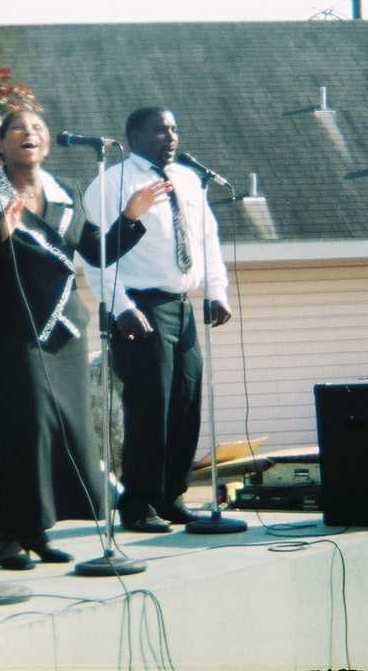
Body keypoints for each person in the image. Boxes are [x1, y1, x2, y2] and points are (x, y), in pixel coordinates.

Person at [0, 109, 171, 569]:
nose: (29, 135)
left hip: (65, 330)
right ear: (1, 143)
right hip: (15, 330)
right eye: (17, 130)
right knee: (25, 430)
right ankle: (8, 536)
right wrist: (0, 231)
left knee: (63, 433)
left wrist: (130, 217)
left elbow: (94, 250)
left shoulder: (64, 193)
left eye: (37, 129)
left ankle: (38, 531)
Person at [83, 107, 232, 533]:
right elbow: (97, 257)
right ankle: (138, 503)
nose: (170, 136)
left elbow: (208, 238)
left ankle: (170, 496)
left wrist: (216, 290)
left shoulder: (187, 179)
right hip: (139, 306)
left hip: (181, 303)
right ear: (133, 136)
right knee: (150, 406)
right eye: (159, 130)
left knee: (185, 401)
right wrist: (121, 306)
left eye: (174, 128)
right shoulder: (112, 183)